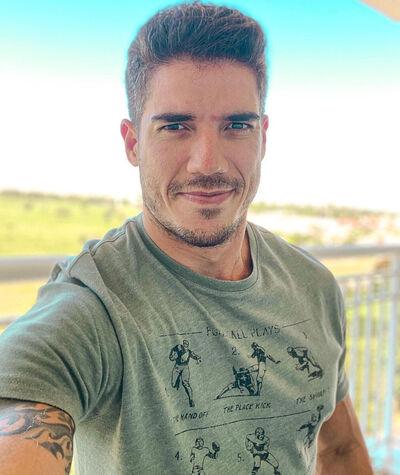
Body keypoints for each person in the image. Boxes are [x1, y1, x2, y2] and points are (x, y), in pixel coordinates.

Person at [0, 2, 373, 474]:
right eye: (176, 126)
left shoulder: (313, 287)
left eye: (237, 126)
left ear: (263, 138)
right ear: (133, 143)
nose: (207, 162)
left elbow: (338, 450)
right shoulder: (94, 307)